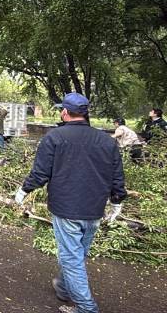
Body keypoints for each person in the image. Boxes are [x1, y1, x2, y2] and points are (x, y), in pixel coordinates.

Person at [14, 93, 126, 313]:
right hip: (94, 209)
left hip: (66, 210)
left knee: (72, 257)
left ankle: (86, 308)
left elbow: (40, 173)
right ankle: (64, 288)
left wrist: (22, 191)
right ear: (85, 113)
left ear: (64, 112)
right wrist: (117, 202)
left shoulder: (54, 138)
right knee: (77, 253)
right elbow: (116, 176)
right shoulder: (106, 141)